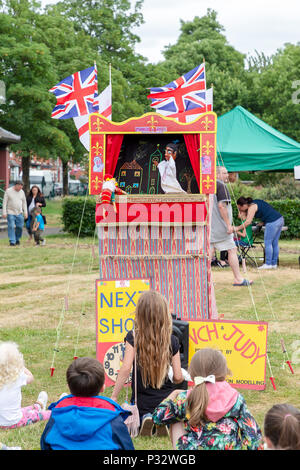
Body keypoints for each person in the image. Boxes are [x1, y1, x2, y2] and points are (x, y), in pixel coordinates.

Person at [152, 348, 263, 450]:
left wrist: (174, 393)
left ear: (193, 373)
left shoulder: (185, 398)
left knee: (175, 420)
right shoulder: (235, 398)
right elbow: (254, 438)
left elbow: (157, 417)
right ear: (223, 371)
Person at [111, 290, 185, 437]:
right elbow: (177, 377)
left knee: (142, 412)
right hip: (166, 399)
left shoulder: (133, 337)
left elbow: (125, 368)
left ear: (140, 314)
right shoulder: (172, 340)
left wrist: (114, 396)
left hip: (141, 401)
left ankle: (147, 418)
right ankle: (163, 419)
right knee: (171, 406)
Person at [40, 357, 134, 450]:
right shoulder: (112, 419)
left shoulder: (56, 416)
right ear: (102, 387)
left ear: (68, 386)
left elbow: (45, 445)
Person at [210, 167, 253, 286]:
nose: (227, 175)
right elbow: (221, 206)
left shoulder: (209, 186)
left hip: (211, 226)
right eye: (224, 173)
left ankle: (205, 280)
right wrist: (229, 225)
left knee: (210, 251)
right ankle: (238, 279)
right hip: (221, 227)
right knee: (232, 249)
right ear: (217, 174)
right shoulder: (221, 186)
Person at [0, 341, 50, 429]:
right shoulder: (17, 377)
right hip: (14, 421)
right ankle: (49, 410)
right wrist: (21, 367)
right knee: (44, 414)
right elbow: (31, 377)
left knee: (23, 411)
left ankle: (37, 406)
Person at [234, 197, 284, 269]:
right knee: (274, 243)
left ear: (244, 205)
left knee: (268, 242)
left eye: (239, 208)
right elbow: (267, 210)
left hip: (272, 221)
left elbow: (247, 222)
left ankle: (268, 264)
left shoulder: (251, 207)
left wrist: (237, 228)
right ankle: (274, 264)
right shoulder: (255, 202)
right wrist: (263, 222)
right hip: (279, 219)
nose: (239, 210)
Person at [2, 181, 27, 246]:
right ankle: (12, 241)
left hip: (19, 212)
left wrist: (25, 212)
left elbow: (24, 203)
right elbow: (4, 202)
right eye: (19, 187)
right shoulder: (8, 191)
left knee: (20, 227)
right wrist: (4, 212)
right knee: (11, 226)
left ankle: (17, 239)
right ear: (16, 185)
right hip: (10, 212)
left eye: (21, 187)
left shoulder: (22, 192)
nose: (20, 189)